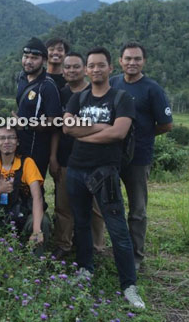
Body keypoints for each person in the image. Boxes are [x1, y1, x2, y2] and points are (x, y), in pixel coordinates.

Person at [63, 47, 145, 309]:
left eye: (101, 65)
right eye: (92, 66)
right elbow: (67, 127)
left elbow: (119, 133)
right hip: (76, 169)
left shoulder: (122, 98)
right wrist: (103, 128)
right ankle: (86, 269)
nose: (96, 69)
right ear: (87, 70)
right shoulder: (79, 98)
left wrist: (83, 132)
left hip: (105, 172)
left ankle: (129, 285)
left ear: (111, 68)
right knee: (82, 223)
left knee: (117, 228)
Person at [110, 41, 173, 270]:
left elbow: (166, 124)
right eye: (128, 59)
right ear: (120, 61)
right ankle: (115, 249)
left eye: (137, 59)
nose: (132, 63)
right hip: (113, 155)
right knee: (111, 204)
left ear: (143, 61)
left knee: (137, 209)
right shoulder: (113, 82)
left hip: (138, 158)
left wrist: (142, 135)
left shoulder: (152, 88)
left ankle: (136, 257)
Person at [51, 52, 106, 260]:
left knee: (95, 209)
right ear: (63, 71)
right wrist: (53, 157)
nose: (72, 71)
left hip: (94, 160)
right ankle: (63, 245)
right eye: (68, 67)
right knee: (63, 206)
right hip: (66, 159)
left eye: (76, 67)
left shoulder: (96, 93)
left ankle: (95, 248)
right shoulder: (61, 94)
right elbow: (57, 128)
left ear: (85, 69)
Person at [0, 126, 51, 255]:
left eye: (11, 137)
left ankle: (35, 267)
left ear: (18, 141)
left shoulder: (27, 163)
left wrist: (36, 230)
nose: (6, 142)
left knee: (43, 221)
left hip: (22, 214)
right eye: (2, 138)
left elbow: (37, 197)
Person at [15, 37, 62, 180]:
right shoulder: (21, 77)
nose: (28, 61)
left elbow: (55, 122)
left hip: (37, 150)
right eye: (26, 56)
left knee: (34, 189)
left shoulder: (48, 86)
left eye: (34, 58)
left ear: (44, 61)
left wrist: (26, 124)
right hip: (19, 146)